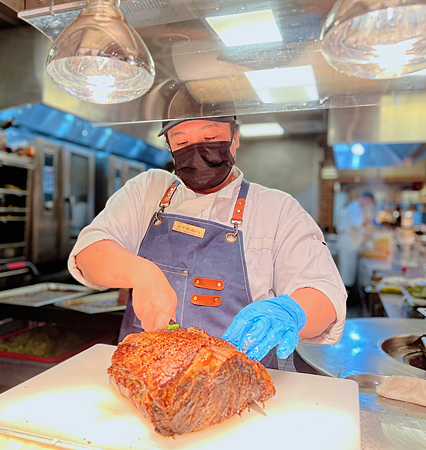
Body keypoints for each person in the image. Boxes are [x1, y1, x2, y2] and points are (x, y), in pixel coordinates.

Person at [68, 116, 347, 368]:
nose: (196, 150)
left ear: (235, 137)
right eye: (182, 141)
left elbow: (325, 291)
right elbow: (88, 253)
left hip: (238, 384)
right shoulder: (149, 190)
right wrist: (141, 273)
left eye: (210, 138)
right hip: (146, 376)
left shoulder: (276, 209)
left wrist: (290, 312)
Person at [336, 191, 375, 287]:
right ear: (366, 199)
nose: (368, 205)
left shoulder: (358, 208)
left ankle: (348, 293)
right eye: (369, 202)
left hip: (352, 243)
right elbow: (356, 224)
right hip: (348, 243)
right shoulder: (355, 207)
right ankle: (347, 296)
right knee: (347, 271)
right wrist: (369, 221)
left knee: (349, 271)